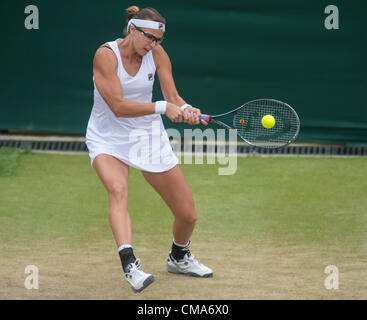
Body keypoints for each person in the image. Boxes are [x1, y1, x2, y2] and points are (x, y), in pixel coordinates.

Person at [85, 5, 212, 293]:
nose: (153, 45)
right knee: (117, 189)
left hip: (147, 137)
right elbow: (117, 106)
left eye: (158, 41)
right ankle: (130, 265)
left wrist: (187, 108)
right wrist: (163, 108)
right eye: (149, 38)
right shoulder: (106, 55)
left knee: (188, 215)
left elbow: (173, 97)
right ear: (133, 29)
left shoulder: (156, 55)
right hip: (108, 137)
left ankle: (178, 257)